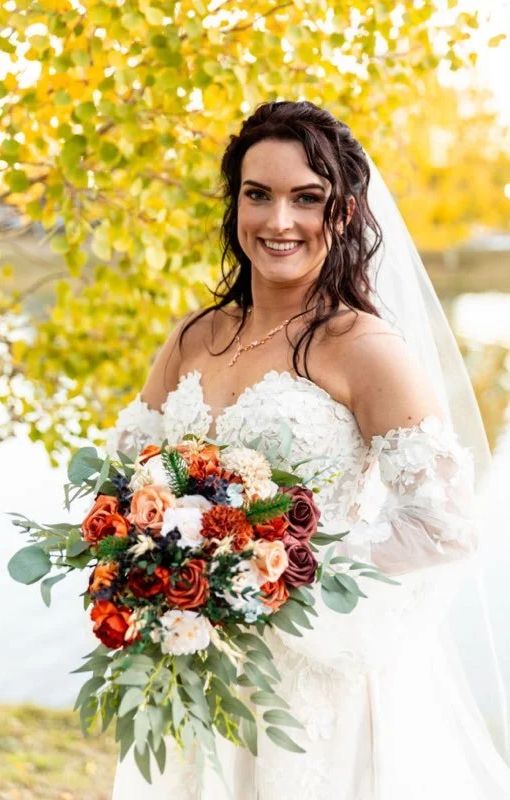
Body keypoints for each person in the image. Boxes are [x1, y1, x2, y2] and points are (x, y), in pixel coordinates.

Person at [108, 101, 510, 799]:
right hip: (196, 662)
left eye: (307, 198)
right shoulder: (193, 338)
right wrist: (146, 552)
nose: (278, 221)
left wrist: (270, 566)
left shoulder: (364, 349)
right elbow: (129, 474)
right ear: (234, 203)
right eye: (256, 194)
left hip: (313, 682)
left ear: (346, 213)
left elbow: (443, 523)